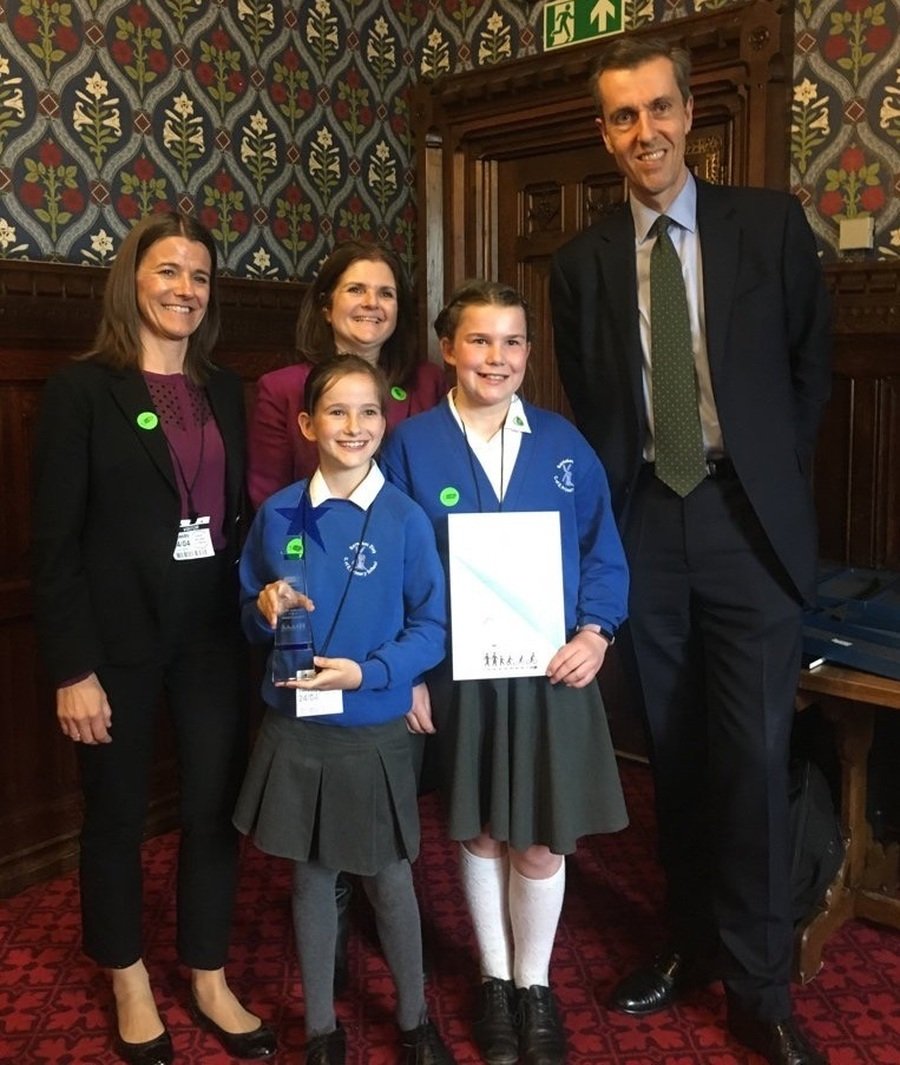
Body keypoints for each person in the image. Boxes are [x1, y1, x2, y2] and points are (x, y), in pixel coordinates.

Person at [549, 37, 832, 1065]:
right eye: (623, 117)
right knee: (670, 751)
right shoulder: (581, 263)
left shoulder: (768, 226)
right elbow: (591, 399)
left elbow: (810, 373)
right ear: (604, 133)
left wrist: (759, 477)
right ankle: (687, 943)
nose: (644, 132)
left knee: (753, 758)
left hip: (745, 524)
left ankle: (761, 984)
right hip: (644, 527)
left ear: (688, 112)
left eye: (658, 109)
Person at [31, 213, 276, 1065]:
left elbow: (237, 518)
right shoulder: (81, 390)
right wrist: (72, 668)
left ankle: (206, 972)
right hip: (116, 642)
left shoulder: (224, 389)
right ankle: (127, 972)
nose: (184, 289)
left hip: (211, 635)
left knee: (214, 806)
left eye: (200, 277)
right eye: (168, 271)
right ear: (133, 281)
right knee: (118, 812)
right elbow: (53, 545)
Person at [381, 280, 629, 1065]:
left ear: (529, 352)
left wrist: (597, 631)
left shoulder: (564, 443)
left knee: (543, 843)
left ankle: (535, 982)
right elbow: (393, 565)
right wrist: (409, 673)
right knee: (483, 828)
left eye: (513, 341)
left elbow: (603, 549)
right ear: (449, 348)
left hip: (551, 675)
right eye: (480, 340)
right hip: (458, 673)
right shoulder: (411, 444)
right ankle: (493, 977)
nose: (498, 357)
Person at [233, 354, 456, 1065]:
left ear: (385, 422)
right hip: (298, 728)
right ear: (307, 423)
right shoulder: (277, 514)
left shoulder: (406, 518)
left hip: (374, 727)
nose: (353, 426)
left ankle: (416, 1018)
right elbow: (246, 609)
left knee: (389, 877)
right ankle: (322, 1028)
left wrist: (374, 671)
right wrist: (261, 608)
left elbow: (433, 625)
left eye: (368, 412)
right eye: (336, 411)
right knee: (311, 877)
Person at [247, 239, 446, 511]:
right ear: (326, 307)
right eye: (356, 290)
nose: (372, 303)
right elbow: (269, 497)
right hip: (315, 543)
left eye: (386, 293)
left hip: (408, 543)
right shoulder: (281, 389)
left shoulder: (428, 382)